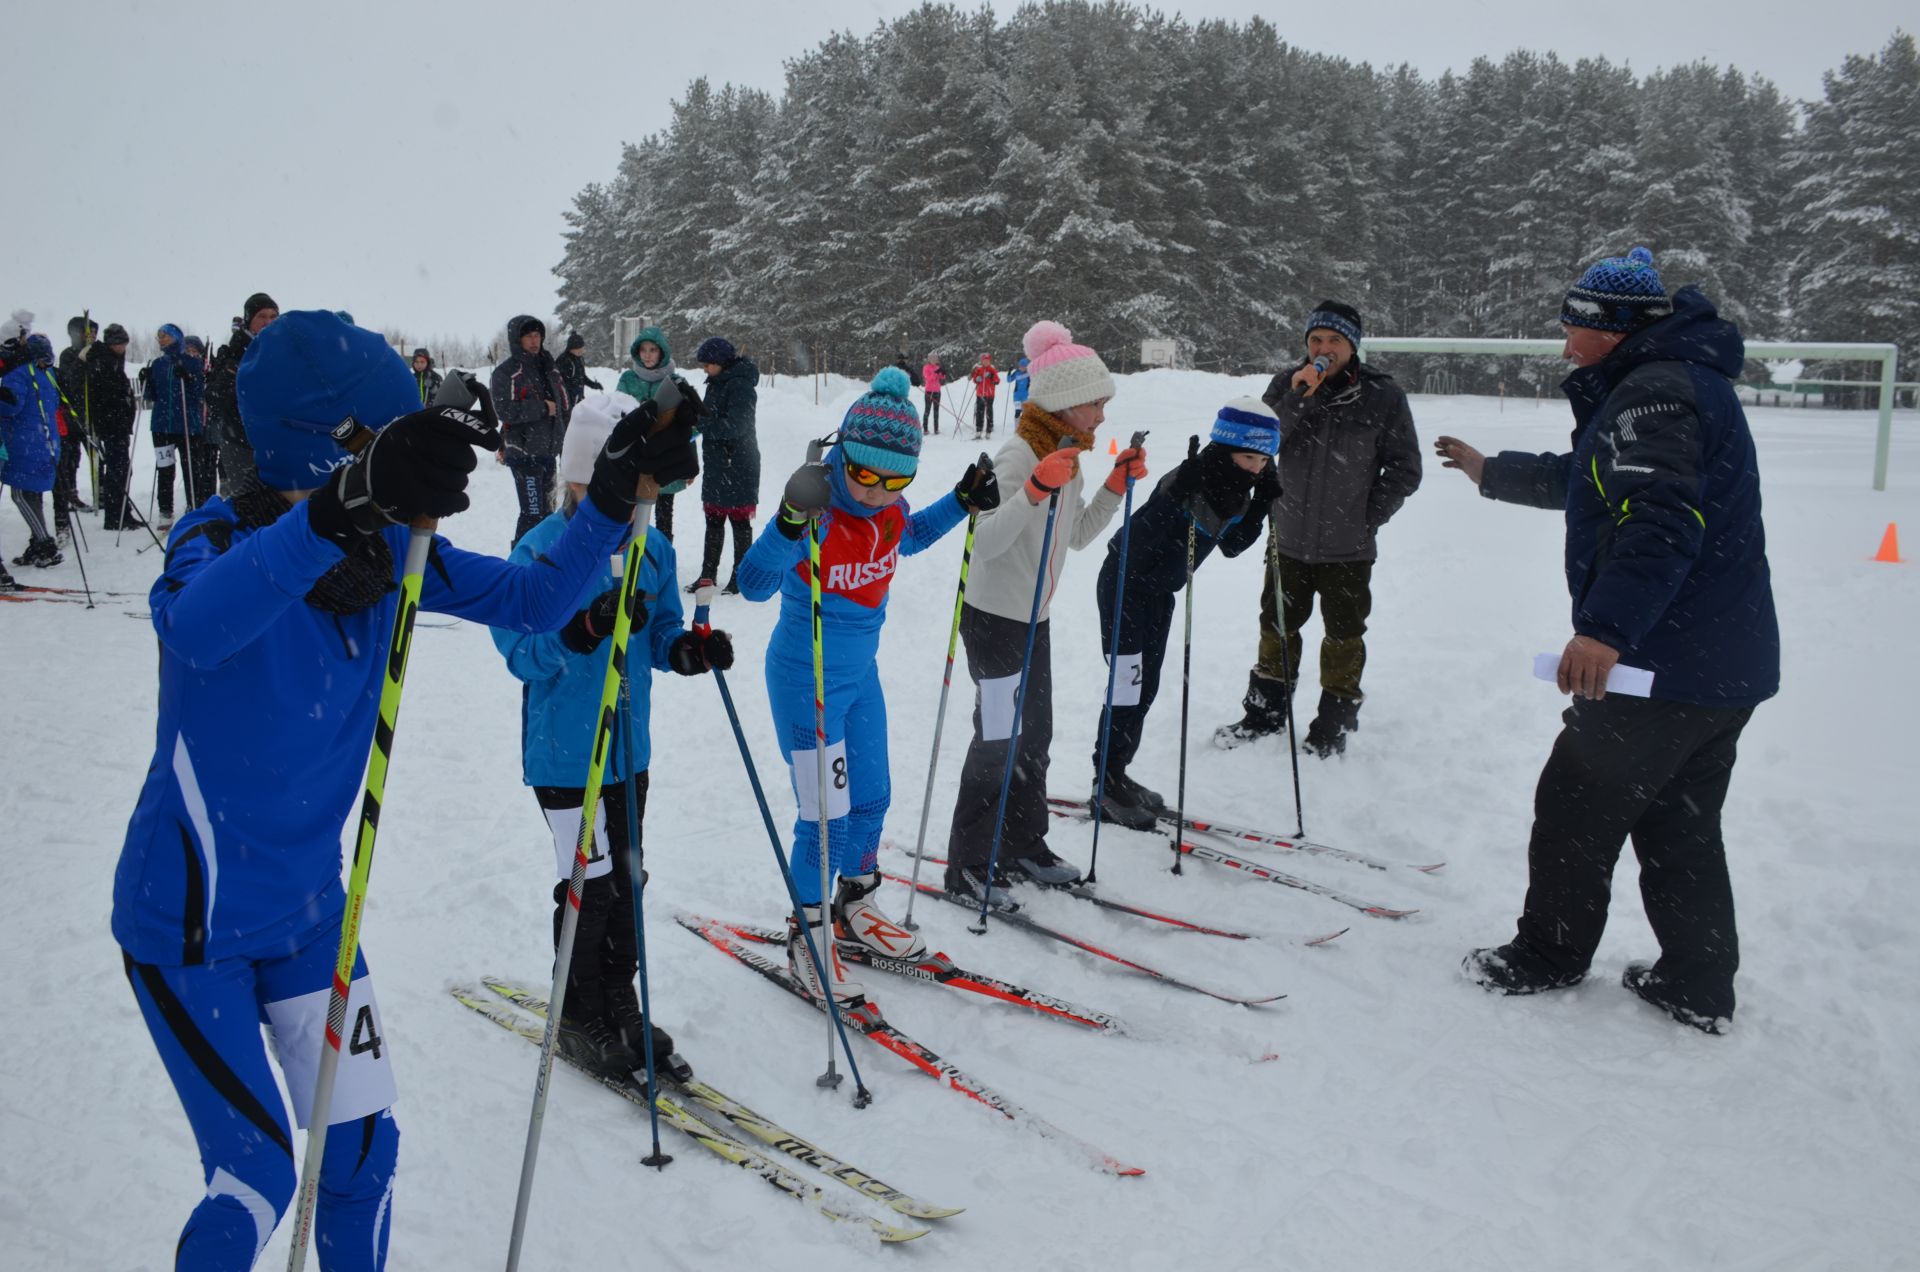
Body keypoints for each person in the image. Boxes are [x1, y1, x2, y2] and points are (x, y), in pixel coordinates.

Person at [113, 310, 697, 1270]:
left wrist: (612, 499)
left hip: (309, 918)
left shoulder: (391, 556)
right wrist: (333, 514)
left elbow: (533, 600)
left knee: (362, 1159)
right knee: (255, 1177)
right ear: (327, 440)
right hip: (191, 926)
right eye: (387, 435)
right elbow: (197, 629)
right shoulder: (216, 537)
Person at [1442, 248, 1778, 1035]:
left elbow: (1658, 521)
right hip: (1721, 670)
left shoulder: (1654, 397)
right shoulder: (1672, 382)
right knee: (1680, 825)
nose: (1565, 344)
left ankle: (1547, 956)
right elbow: (1593, 477)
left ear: (1610, 329)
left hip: (1661, 668)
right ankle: (1697, 983)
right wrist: (1493, 472)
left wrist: (1603, 632)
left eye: (1573, 328)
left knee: (1574, 807)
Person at [736, 368, 996, 1005]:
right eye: (867, 477)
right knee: (823, 819)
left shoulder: (890, 508)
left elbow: (908, 537)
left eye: (896, 480)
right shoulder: (817, 514)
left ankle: (855, 903)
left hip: (860, 676)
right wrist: (789, 521)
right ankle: (808, 931)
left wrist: (960, 501)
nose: (879, 493)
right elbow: (753, 583)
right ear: (843, 456)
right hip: (807, 677)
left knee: (873, 798)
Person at [492, 388, 730, 1075]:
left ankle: (618, 999)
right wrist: (576, 631)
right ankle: (578, 1011)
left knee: (627, 880)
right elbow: (520, 653)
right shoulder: (539, 554)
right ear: (578, 480)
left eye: (648, 494)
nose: (638, 506)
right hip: (567, 759)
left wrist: (685, 650)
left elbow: (657, 633)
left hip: (629, 752)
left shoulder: (652, 549)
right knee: (588, 886)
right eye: (629, 491)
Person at [943, 321, 1142, 901]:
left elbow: (1076, 535)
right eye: (1095, 403)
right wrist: (1032, 489)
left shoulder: (1068, 454)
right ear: (1061, 402)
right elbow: (983, 539)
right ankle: (969, 865)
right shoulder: (1019, 453)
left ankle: (1024, 844)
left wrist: (1110, 485)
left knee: (1034, 739)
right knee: (998, 740)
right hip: (994, 618)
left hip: (1036, 618)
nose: (1103, 415)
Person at [1212, 301, 1422, 757]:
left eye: (1334, 341)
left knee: (1344, 633)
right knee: (1277, 625)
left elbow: (1406, 469)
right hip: (1288, 537)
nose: (1323, 349)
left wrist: (1368, 517)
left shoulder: (1383, 396)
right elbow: (1262, 444)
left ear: (1352, 346)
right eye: (1315, 341)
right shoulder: (1288, 384)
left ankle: (1334, 722)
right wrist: (1296, 396)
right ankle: (1264, 713)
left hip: (1349, 546)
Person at [1090, 400, 1281, 828]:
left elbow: (1232, 544)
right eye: (1249, 457)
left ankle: (1118, 772)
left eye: (1264, 460)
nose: (1256, 468)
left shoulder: (1235, 488)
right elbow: (1138, 541)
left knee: (1147, 687)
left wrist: (1261, 504)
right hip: (1126, 586)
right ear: (1227, 446)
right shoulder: (1190, 476)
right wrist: (1173, 500)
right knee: (1127, 688)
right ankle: (1104, 783)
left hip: (1161, 594)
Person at [615, 326, 701, 545]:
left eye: (653, 350)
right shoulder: (628, 379)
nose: (647, 354)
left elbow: (690, 424)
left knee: (664, 515)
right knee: (630, 512)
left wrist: (690, 459)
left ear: (661, 352)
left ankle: (661, 557)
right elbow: (617, 414)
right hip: (635, 455)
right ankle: (630, 559)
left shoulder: (675, 380)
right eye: (643, 350)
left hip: (665, 456)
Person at [490, 314, 570, 545]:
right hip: (524, 453)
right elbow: (504, 410)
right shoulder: (507, 372)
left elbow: (564, 407)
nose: (534, 341)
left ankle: (541, 563)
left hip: (548, 451)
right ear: (517, 339)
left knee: (548, 515)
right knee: (532, 514)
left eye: (537, 336)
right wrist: (542, 408)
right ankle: (519, 564)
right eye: (528, 336)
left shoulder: (549, 368)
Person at [692, 336, 760, 594]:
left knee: (740, 524)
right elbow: (711, 415)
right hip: (718, 462)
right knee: (714, 520)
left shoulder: (741, 386)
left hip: (738, 463)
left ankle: (740, 577)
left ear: (721, 362)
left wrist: (702, 424)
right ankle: (707, 575)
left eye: (708, 364)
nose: (705, 369)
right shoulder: (716, 383)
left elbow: (737, 425)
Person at [1, 333, 64, 570]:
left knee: (19, 494)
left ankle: (45, 543)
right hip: (45, 441)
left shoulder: (19, 375)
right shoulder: (47, 373)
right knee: (33, 494)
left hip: (23, 443)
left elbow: (11, 406)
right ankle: (39, 544)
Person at [206, 292, 279, 497]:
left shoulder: (283, 350)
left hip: (275, 440)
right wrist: (232, 377)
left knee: (278, 504)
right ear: (249, 320)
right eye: (261, 316)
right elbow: (213, 397)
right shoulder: (232, 351)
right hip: (240, 442)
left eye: (273, 316)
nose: (268, 322)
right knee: (247, 504)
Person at [146, 323, 211, 529]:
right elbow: (151, 397)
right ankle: (165, 511)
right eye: (159, 337)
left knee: (191, 468)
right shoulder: (157, 364)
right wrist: (146, 381)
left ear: (176, 337)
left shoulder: (192, 362)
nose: (162, 340)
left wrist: (190, 378)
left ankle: (194, 505)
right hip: (162, 425)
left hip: (187, 424)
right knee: (165, 468)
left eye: (165, 336)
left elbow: (200, 393)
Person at [88, 324, 142, 531]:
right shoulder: (103, 361)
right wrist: (123, 401)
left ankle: (121, 512)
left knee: (121, 470)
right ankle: (116, 515)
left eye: (124, 343)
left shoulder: (112, 361)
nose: (122, 347)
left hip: (118, 424)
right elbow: (106, 396)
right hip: (112, 425)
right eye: (118, 344)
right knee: (117, 471)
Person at [55, 316, 99, 529]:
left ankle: (102, 491)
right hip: (72, 415)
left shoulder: (97, 353)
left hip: (94, 414)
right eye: (87, 333)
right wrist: (80, 361)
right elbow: (67, 381)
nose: (91, 337)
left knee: (97, 455)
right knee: (72, 457)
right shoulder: (68, 355)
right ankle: (70, 493)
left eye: (93, 333)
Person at [555, 331, 602, 420]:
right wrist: (573, 389)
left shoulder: (579, 358)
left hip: (578, 399)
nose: (581, 350)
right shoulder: (564, 360)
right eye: (578, 348)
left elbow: (582, 377)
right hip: (566, 403)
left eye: (582, 348)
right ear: (571, 348)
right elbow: (559, 383)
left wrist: (593, 385)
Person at [967, 352, 999, 439]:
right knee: (979, 412)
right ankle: (978, 430)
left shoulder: (992, 369)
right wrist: (977, 379)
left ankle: (988, 431)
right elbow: (974, 379)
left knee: (989, 412)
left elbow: (997, 381)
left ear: (989, 361)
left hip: (989, 394)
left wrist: (991, 376)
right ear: (982, 361)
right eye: (984, 360)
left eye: (987, 361)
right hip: (980, 394)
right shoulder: (979, 369)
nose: (985, 362)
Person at [1005, 355, 1031, 433]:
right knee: (1017, 412)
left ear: (1026, 367)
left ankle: (1025, 428)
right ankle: (1017, 429)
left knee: (1025, 413)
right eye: (1020, 366)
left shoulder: (1029, 374)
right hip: (1017, 396)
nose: (1021, 368)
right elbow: (1009, 380)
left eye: (1023, 366)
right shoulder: (1016, 373)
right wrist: (1009, 372)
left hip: (1026, 396)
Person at [921, 356, 945, 434]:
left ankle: (936, 429)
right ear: (929, 360)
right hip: (929, 391)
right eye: (932, 359)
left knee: (936, 410)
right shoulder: (926, 367)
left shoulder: (937, 367)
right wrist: (935, 373)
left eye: (935, 359)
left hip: (937, 391)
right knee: (927, 409)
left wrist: (943, 373)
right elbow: (928, 378)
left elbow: (941, 377)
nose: (934, 360)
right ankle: (925, 429)